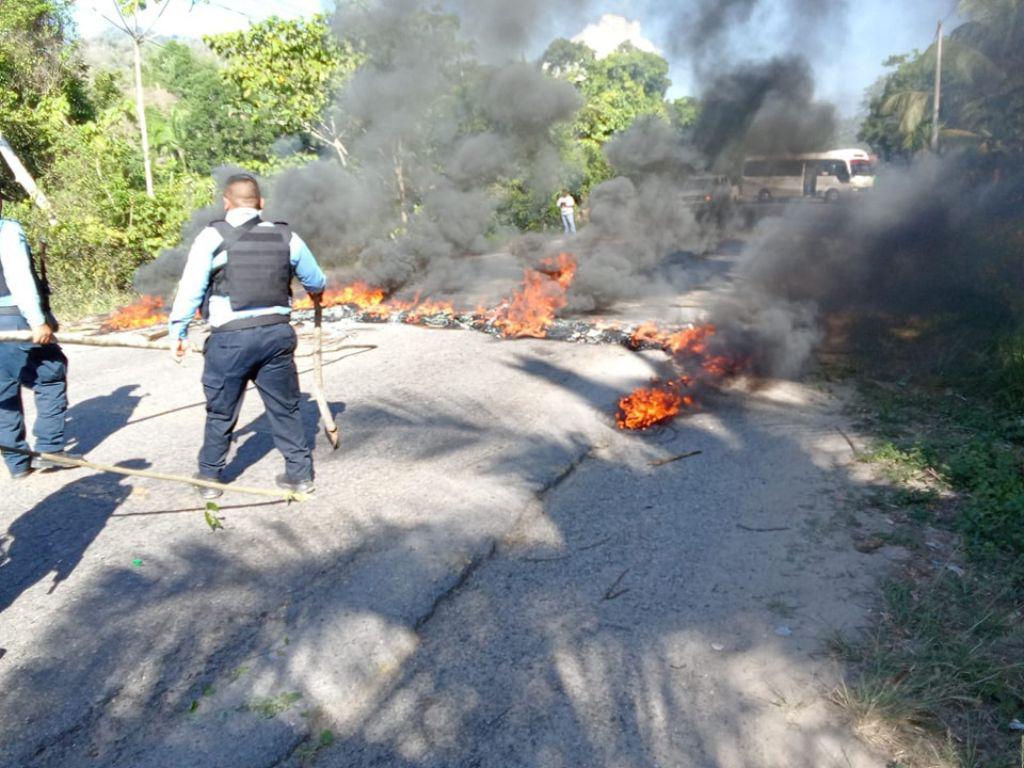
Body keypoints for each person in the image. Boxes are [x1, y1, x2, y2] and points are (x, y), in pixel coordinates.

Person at [168, 174, 327, 499]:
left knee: (221, 412)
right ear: (261, 204)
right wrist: (314, 292)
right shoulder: (286, 236)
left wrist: (178, 331)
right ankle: (300, 477)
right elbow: (316, 280)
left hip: (230, 341)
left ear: (226, 203)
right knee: (285, 409)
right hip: (276, 337)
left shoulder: (212, 237)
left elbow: (191, 289)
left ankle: (210, 480)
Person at [0, 191, 73, 479]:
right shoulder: (7, 230)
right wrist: (38, 321)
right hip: (13, 319)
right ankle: (50, 449)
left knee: (3, 393)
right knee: (51, 373)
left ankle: (17, 464)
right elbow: (19, 277)